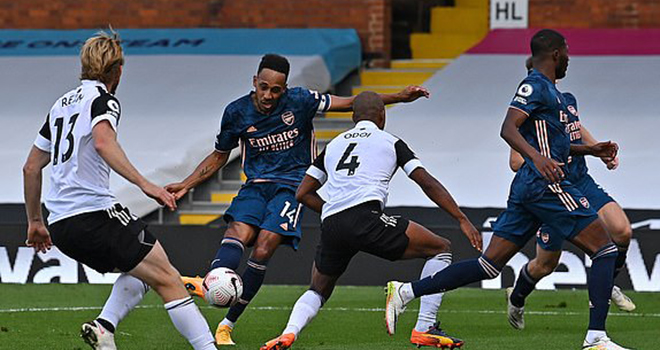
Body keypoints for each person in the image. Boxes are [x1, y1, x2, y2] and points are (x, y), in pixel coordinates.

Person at [384, 29, 630, 350]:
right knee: (605, 249)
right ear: (556, 54)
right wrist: (537, 158)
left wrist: (591, 150)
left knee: (488, 266)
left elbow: (554, 145)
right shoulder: (535, 86)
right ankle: (596, 337)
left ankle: (405, 292)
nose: (569, 59)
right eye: (566, 53)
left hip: (530, 187)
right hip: (544, 185)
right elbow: (508, 127)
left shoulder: (555, 94)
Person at [165, 54, 432, 345]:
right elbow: (219, 156)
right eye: (263, 87)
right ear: (255, 82)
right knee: (236, 233)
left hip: (291, 186)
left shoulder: (301, 101)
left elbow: (354, 102)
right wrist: (186, 184)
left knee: (265, 247)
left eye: (276, 90)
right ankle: (212, 282)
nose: (268, 95)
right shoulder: (236, 112)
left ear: (285, 88)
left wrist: (399, 97)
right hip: (255, 185)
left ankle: (226, 324)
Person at [22, 30, 216, 350]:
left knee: (146, 269)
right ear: (118, 71)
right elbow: (103, 142)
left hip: (61, 224)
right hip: (93, 214)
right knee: (167, 278)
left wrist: (34, 222)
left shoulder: (59, 106)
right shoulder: (104, 100)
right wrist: (146, 185)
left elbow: (31, 167)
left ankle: (104, 327)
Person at [259, 91, 481, 350]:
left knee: (318, 289)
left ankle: (288, 333)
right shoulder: (390, 141)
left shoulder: (334, 144)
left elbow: (303, 193)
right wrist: (461, 218)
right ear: (383, 115)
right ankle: (425, 327)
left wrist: (332, 209)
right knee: (440, 248)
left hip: (331, 225)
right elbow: (426, 182)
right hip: (366, 217)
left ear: (353, 117)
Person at [505, 59, 635, 331]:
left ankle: (607, 285)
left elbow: (577, 129)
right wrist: (542, 156)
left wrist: (599, 151)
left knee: (622, 231)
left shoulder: (565, 101)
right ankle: (516, 298)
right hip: (554, 191)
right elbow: (515, 163)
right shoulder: (529, 112)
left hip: (581, 182)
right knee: (546, 264)